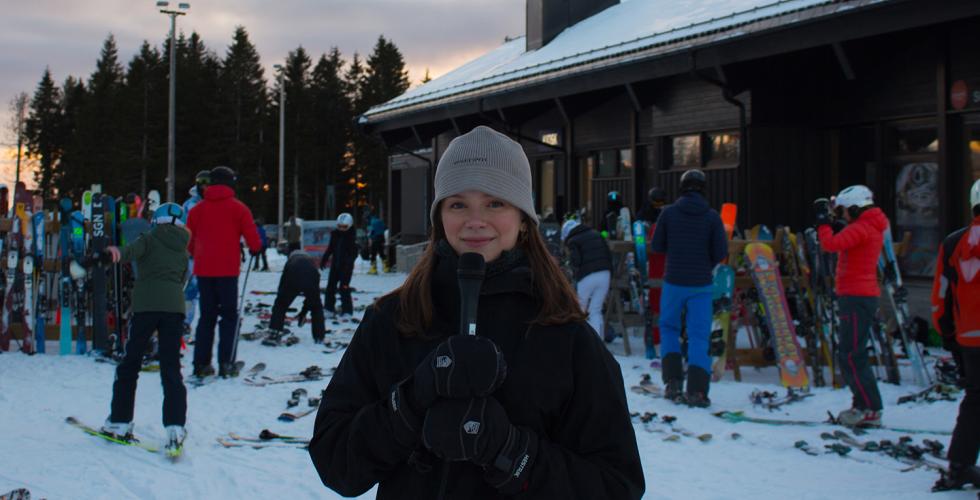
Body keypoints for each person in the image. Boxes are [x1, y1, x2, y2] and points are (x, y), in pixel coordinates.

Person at [308, 126, 644, 499]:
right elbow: (334, 461)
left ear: (523, 219)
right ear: (439, 217)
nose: (475, 220)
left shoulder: (565, 336)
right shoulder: (393, 320)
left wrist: (512, 453)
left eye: (495, 202)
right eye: (458, 204)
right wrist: (409, 403)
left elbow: (618, 486)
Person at [99, 203, 190, 456]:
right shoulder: (182, 247)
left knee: (130, 364)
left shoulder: (148, 239)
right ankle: (175, 427)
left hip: (146, 307)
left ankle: (120, 420)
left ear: (156, 220)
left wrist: (109, 253)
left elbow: (127, 253)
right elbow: (184, 277)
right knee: (171, 368)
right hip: (174, 309)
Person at [814, 184, 889, 427]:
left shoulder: (864, 228)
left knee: (851, 354)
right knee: (851, 353)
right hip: (858, 295)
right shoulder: (868, 225)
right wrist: (837, 227)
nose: (842, 216)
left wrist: (823, 223)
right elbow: (845, 241)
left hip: (856, 296)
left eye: (844, 212)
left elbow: (829, 245)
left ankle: (869, 407)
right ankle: (864, 404)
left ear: (856, 209)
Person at [650, 169, 727, 407]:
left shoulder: (669, 213)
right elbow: (721, 252)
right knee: (698, 337)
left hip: (674, 281)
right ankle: (698, 391)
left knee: (670, 328)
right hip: (701, 284)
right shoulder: (712, 216)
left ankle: (672, 382)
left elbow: (657, 246)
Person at [186, 166, 262, 379]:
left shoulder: (197, 210)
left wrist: (198, 254)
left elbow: (188, 242)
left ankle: (200, 364)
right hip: (228, 271)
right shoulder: (239, 208)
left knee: (207, 317)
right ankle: (226, 363)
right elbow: (252, 239)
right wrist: (256, 248)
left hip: (204, 270)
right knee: (229, 316)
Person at [930, 179, 980, 491]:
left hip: (969, 338)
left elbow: (941, 296)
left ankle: (959, 466)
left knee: (975, 400)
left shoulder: (953, 242)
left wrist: (948, 334)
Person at [560, 218, 612, 339]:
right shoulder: (596, 234)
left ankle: (579, 342)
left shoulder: (573, 240)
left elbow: (576, 261)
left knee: (579, 310)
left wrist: (572, 270)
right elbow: (608, 255)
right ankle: (599, 343)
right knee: (596, 310)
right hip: (605, 274)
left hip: (587, 275)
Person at [637, 187, 668, 360]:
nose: (659, 206)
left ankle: (660, 340)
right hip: (656, 264)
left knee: (660, 302)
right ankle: (656, 339)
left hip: (663, 265)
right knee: (655, 301)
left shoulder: (667, 214)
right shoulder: (646, 214)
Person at [268, 250, 326, 343]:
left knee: (281, 305)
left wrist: (281, 296)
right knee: (316, 307)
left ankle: (275, 331)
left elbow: (283, 282)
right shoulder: (311, 264)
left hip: (293, 275)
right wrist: (303, 312)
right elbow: (312, 297)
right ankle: (319, 336)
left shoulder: (291, 261)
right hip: (312, 276)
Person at [180, 170, 210, 339]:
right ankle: (185, 323)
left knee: (210, 291)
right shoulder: (190, 205)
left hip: (212, 255)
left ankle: (209, 324)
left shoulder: (216, 203)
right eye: (203, 183)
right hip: (193, 255)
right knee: (190, 289)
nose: (205, 187)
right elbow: (184, 229)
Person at [319, 213, 357, 320]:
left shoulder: (352, 237)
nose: (341, 229)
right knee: (330, 287)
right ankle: (329, 309)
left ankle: (347, 311)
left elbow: (353, 254)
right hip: (335, 265)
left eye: (344, 227)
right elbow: (331, 248)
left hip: (346, 267)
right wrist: (325, 259)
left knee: (344, 288)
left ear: (349, 226)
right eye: (339, 226)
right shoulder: (335, 234)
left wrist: (348, 266)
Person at [366, 210, 388, 275]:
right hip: (381, 238)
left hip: (375, 239)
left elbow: (371, 232)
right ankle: (386, 268)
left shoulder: (371, 222)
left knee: (373, 254)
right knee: (381, 253)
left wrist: (370, 239)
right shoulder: (379, 220)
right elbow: (384, 228)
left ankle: (373, 269)